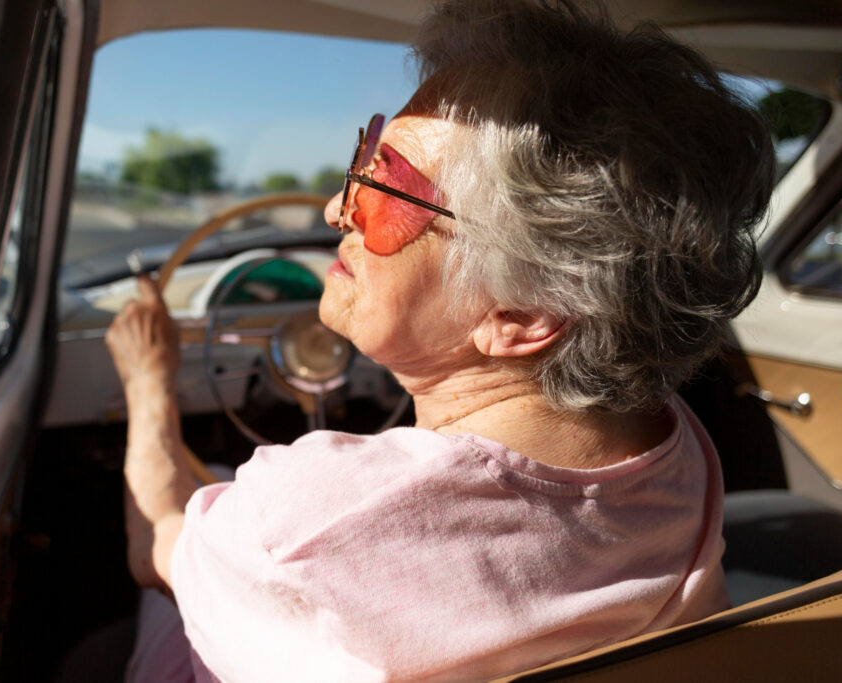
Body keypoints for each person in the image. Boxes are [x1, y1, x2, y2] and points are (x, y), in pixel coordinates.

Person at [105, 0, 775, 680]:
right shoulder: (676, 448)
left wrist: (146, 378)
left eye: (386, 186)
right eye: (362, 158)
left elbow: (155, 538)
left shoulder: (302, 517)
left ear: (520, 315)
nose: (338, 209)